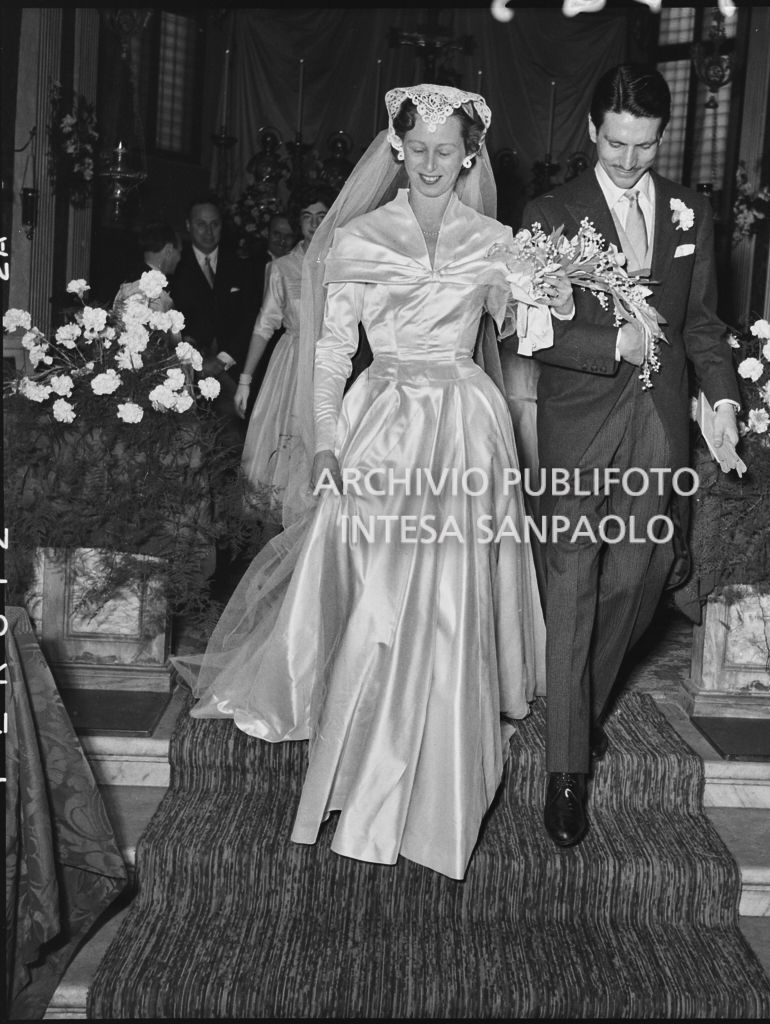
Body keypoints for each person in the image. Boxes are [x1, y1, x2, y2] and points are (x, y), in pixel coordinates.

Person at [175, 83, 566, 881]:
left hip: (464, 426)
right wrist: (325, 443)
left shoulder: (495, 237)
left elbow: (523, 330)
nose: (430, 164)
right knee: (386, 592)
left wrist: (544, 300)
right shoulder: (355, 238)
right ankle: (368, 759)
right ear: (396, 147)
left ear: (468, 156)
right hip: (382, 424)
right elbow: (328, 354)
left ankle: (442, 756)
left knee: (452, 592)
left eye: (445, 151)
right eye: (416, 148)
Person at [520, 64, 741, 848]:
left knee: (646, 571)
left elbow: (704, 323)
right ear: (591, 131)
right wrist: (611, 341)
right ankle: (567, 768)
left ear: (662, 136)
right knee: (575, 577)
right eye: (616, 142)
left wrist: (721, 400)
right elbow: (529, 331)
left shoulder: (690, 211)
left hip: (658, 419)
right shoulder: (549, 213)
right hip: (580, 419)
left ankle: (576, 704)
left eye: (644, 145)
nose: (627, 159)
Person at [233, 188, 332, 520]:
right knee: (284, 440)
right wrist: (245, 379)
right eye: (307, 217)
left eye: (321, 215)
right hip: (292, 362)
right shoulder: (283, 267)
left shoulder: (343, 261)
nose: (315, 224)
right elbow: (265, 323)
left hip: (332, 361)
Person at [170, 194, 262, 447]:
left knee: (233, 441)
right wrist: (195, 360)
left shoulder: (242, 265)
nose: (208, 231)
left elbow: (252, 316)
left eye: (215, 224)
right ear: (188, 225)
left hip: (231, 368)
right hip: (186, 371)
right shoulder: (175, 265)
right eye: (201, 224)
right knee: (189, 443)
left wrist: (223, 359)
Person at [112, 222, 181, 315]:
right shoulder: (147, 289)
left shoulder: (131, 279)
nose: (180, 258)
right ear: (169, 250)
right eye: (180, 252)